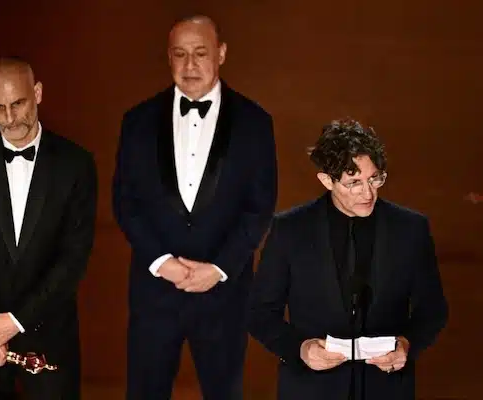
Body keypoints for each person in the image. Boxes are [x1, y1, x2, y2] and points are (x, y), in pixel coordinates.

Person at [112, 15, 278, 400]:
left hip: (223, 296)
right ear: (168, 58)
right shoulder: (136, 121)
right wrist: (160, 262)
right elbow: (125, 201)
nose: (190, 66)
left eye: (200, 53)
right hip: (154, 294)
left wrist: (218, 268)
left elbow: (260, 207)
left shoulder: (255, 123)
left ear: (220, 54)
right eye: (179, 54)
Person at [248, 118, 448, 399]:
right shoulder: (289, 229)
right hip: (310, 389)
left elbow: (433, 309)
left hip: (387, 388)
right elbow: (259, 312)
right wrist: (300, 349)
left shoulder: (411, 228)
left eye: (374, 179)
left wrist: (406, 344)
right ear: (326, 180)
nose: (368, 193)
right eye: (354, 182)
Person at [0, 56, 97, 399]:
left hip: (49, 337)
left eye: (18, 104)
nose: (10, 119)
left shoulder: (77, 164)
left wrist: (15, 321)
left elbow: (73, 259)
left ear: (38, 93)